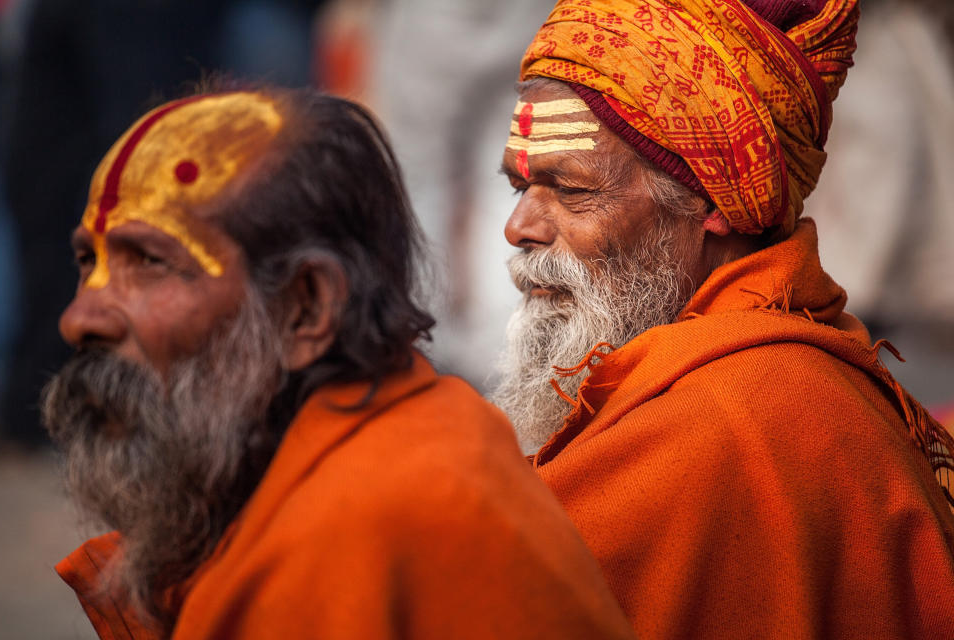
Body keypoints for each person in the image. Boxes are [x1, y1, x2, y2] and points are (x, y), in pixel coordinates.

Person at [41, 87, 634, 640]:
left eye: (149, 261)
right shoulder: (419, 433)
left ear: (306, 306)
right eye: (86, 260)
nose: (80, 316)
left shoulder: (340, 539)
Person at [491, 0, 954, 637]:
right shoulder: (790, 362)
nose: (518, 228)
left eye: (570, 190)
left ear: (711, 200)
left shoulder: (711, 425)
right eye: (521, 187)